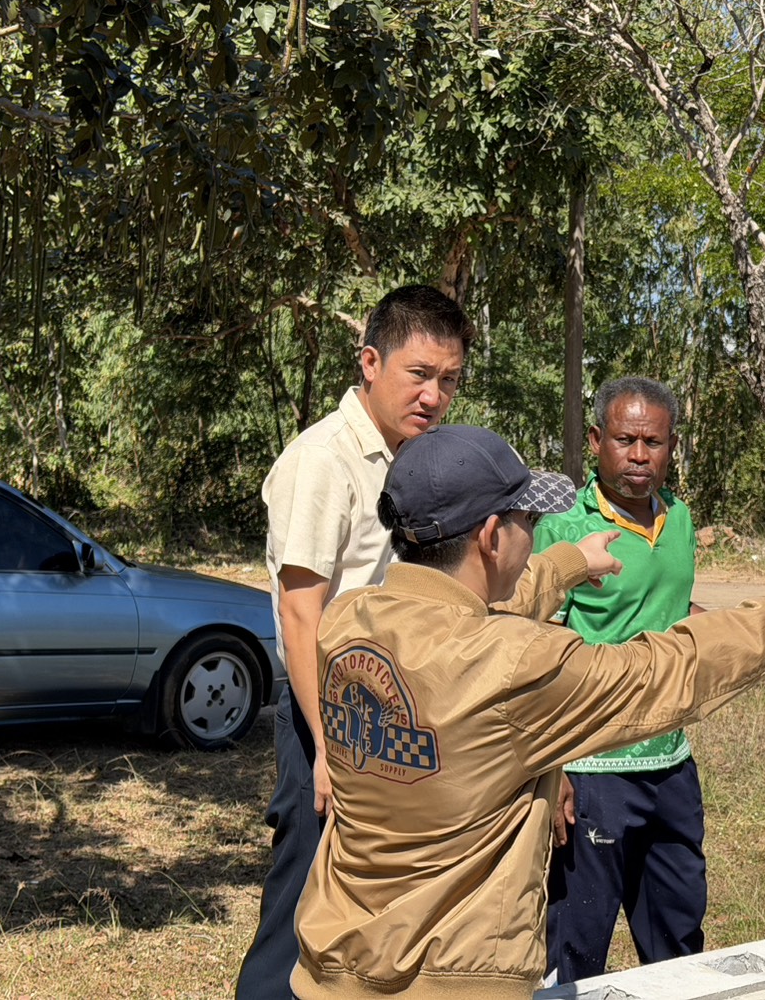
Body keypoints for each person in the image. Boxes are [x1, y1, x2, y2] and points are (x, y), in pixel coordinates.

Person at [290, 423, 765, 999]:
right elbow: (664, 672)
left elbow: (464, 614)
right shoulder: (515, 666)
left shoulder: (349, 622)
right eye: (529, 521)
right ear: (492, 537)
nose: (534, 536)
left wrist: (569, 563)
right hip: (451, 981)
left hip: (331, 971)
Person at [236, 285, 475, 1000]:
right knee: (303, 900)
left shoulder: (415, 458)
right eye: (419, 374)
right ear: (370, 363)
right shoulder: (323, 460)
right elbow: (299, 613)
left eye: (449, 380)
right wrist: (327, 748)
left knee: (372, 903)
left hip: (393, 710)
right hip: (328, 713)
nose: (434, 396)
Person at [536, 376, 761, 984]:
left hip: (670, 762)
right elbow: (537, 655)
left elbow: (673, 616)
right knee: (575, 948)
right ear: (595, 441)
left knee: (679, 939)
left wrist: (755, 637)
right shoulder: (563, 531)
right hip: (592, 770)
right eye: (624, 440)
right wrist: (552, 770)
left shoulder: (679, 519)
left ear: (672, 446)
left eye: (653, 442)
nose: (638, 455)